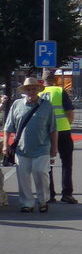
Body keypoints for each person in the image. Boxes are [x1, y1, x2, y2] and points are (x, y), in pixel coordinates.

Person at [3, 76, 58, 213]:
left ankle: (43, 200)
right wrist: (5, 145)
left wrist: (54, 148)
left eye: (34, 89)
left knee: (41, 173)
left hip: (42, 147)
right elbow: (8, 127)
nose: (31, 92)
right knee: (23, 178)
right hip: (22, 148)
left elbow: (53, 129)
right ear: (25, 91)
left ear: (38, 90)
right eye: (28, 89)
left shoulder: (46, 106)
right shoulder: (17, 104)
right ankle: (27, 203)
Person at [41, 71, 76, 203]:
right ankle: (67, 194)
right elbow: (69, 112)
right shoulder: (60, 91)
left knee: (47, 164)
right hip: (63, 131)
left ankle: (49, 194)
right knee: (66, 163)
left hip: (45, 133)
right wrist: (68, 123)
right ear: (55, 79)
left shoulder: (39, 94)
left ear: (43, 80)